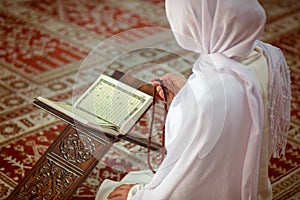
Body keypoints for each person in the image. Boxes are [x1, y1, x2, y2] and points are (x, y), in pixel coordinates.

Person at [96, 0, 291, 199]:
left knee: (111, 192)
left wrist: (136, 195)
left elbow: (187, 182)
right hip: (242, 182)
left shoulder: (209, 92)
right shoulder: (264, 56)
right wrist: (186, 95)